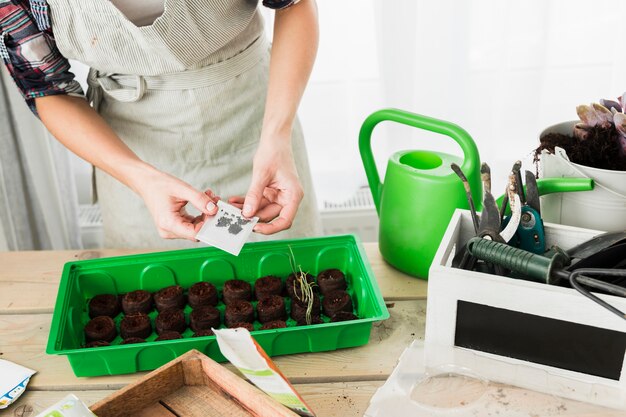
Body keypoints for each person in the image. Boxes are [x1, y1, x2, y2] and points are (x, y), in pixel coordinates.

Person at [0, 0, 322, 248]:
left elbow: (294, 5)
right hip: (131, 160)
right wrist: (142, 179)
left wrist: (276, 136)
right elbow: (47, 89)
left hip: (260, 124)